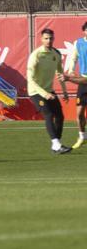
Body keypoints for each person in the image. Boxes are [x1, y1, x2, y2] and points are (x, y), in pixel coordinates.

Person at [28, 27, 72, 155]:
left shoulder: (56, 54)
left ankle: (56, 144)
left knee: (60, 116)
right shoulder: (36, 55)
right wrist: (44, 94)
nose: (49, 41)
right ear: (41, 39)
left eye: (51, 38)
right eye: (46, 38)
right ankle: (56, 144)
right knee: (48, 115)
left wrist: (64, 92)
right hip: (36, 92)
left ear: (54, 39)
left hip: (49, 90)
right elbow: (30, 79)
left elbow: (60, 73)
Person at [69, 21, 87, 149]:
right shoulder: (78, 43)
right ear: (84, 31)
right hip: (83, 80)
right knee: (79, 113)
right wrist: (70, 70)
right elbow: (73, 58)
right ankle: (82, 136)